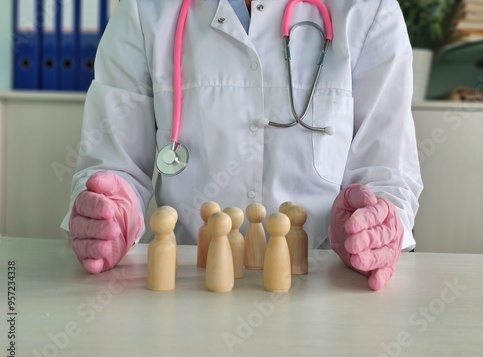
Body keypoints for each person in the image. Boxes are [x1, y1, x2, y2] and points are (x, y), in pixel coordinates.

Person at [61, 0, 423, 291]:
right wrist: (112, 212)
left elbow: (387, 172)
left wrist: (371, 226)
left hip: (326, 289)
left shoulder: (369, 10)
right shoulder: (145, 10)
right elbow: (112, 163)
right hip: (189, 285)